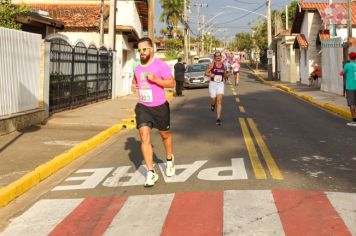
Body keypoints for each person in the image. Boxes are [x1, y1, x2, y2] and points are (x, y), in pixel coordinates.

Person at [132, 37, 176, 187]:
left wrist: (156, 80)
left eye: (144, 49)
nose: (141, 52)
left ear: (151, 50)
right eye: (139, 50)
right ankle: (151, 172)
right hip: (143, 106)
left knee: (165, 135)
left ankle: (169, 159)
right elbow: (135, 80)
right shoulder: (137, 68)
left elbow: (171, 83)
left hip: (160, 107)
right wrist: (134, 86)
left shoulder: (160, 65)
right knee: (144, 136)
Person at [205, 51, 229, 126]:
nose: (218, 57)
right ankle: (212, 105)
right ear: (214, 57)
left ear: (221, 57)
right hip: (212, 84)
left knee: (219, 101)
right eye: (217, 56)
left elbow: (225, 75)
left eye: (219, 56)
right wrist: (210, 74)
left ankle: (218, 118)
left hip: (220, 84)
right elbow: (205, 73)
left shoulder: (224, 66)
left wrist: (227, 76)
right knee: (213, 99)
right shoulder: (211, 65)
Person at [340, 52, 356, 126]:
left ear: (349, 57)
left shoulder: (347, 65)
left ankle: (354, 121)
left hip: (350, 87)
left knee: (352, 104)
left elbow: (341, 73)